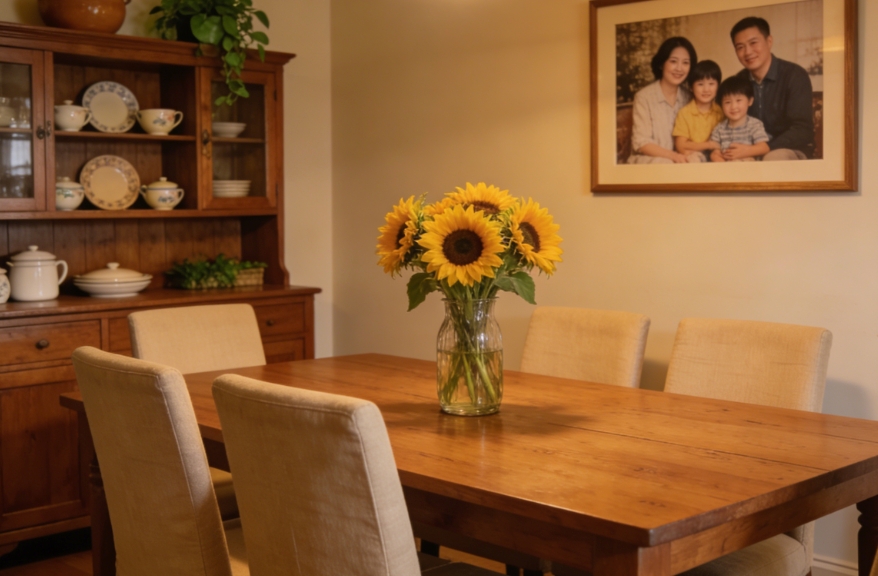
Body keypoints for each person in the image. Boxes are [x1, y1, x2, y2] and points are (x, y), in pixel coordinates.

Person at [731, 16, 814, 160]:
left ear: (769, 41)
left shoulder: (794, 75)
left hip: (790, 150)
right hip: (750, 151)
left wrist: (762, 148)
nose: (748, 52)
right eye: (740, 47)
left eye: (753, 43)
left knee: (773, 158)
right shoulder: (737, 82)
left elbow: (802, 130)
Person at [627, 37, 696, 164]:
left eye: (685, 63)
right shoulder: (644, 97)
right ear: (661, 64)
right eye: (673, 61)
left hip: (680, 162)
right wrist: (673, 156)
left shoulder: (689, 98)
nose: (679, 68)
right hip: (649, 161)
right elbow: (641, 142)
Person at [673, 60, 724, 163]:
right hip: (694, 158)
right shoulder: (685, 113)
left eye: (711, 84)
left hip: (715, 157)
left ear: (718, 86)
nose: (706, 89)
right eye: (700, 84)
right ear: (691, 87)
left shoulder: (721, 112)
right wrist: (709, 145)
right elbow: (680, 145)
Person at [709, 76, 770, 162]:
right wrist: (720, 161)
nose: (733, 106)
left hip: (748, 165)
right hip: (726, 166)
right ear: (721, 105)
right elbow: (715, 152)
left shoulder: (755, 125)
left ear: (750, 101)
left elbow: (764, 148)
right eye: (727, 102)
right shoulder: (719, 129)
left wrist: (745, 152)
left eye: (738, 100)